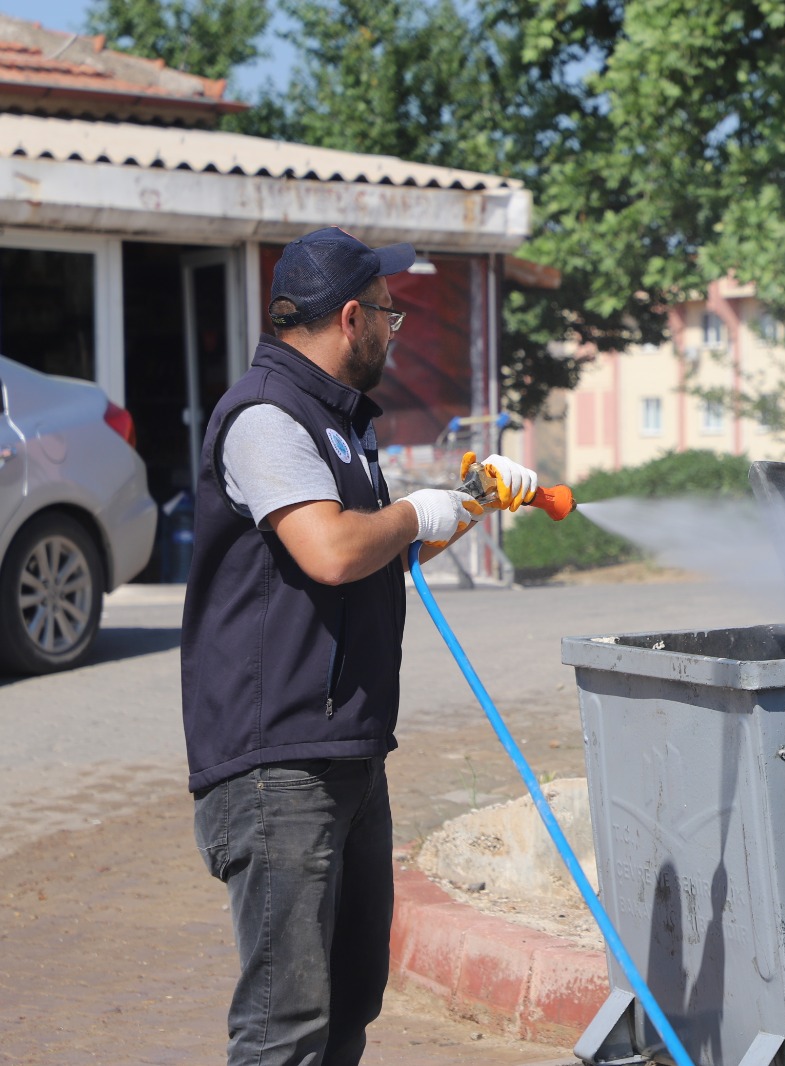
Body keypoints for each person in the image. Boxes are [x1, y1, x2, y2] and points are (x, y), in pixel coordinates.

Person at [180, 227, 538, 1066]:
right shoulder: (267, 417)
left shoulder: (335, 423)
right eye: (388, 311)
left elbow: (375, 552)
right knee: (287, 1030)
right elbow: (333, 551)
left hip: (343, 753)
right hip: (280, 767)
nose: (393, 325)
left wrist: (466, 503)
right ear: (350, 318)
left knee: (347, 1010)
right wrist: (418, 512)